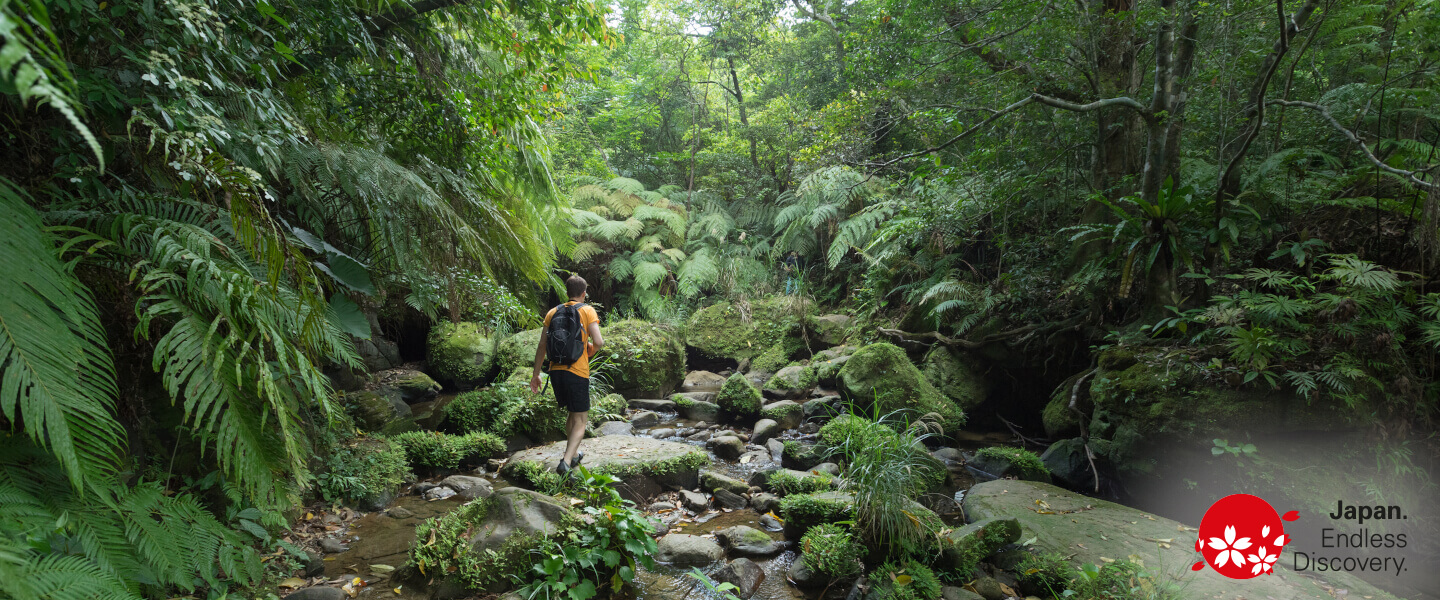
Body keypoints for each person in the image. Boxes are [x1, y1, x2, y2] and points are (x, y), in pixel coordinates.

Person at [530, 274, 604, 476]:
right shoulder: (587, 310)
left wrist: (536, 375)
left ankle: (573, 452)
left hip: (556, 372)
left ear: (567, 293)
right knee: (581, 419)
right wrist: (588, 351)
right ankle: (565, 462)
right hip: (577, 371)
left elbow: (542, 346)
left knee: (572, 413)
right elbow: (598, 341)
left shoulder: (552, 312)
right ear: (584, 293)